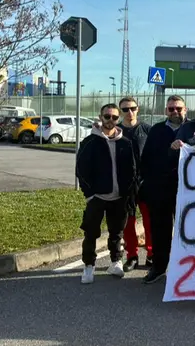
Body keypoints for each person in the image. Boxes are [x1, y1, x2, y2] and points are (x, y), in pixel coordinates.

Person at [75, 103, 137, 284]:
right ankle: (89, 265)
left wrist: (127, 193)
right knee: (91, 232)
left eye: (114, 117)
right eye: (107, 116)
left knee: (117, 232)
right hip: (97, 197)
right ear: (100, 117)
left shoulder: (125, 143)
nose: (110, 120)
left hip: (119, 198)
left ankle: (116, 262)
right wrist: (90, 194)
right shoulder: (89, 142)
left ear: (119, 119)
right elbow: (81, 170)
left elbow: (132, 170)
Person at [141, 95, 188, 284]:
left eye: (178, 108)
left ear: (185, 110)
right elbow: (146, 158)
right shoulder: (157, 130)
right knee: (160, 230)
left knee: (187, 231)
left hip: (187, 189)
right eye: (171, 109)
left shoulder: (193, 129)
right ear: (166, 111)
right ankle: (159, 267)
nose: (175, 112)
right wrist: (148, 183)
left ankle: (186, 271)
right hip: (160, 189)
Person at [116, 96, 153, 272]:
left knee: (149, 221)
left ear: (138, 109)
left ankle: (152, 254)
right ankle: (132, 256)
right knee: (128, 222)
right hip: (125, 184)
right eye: (125, 109)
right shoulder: (116, 131)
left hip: (145, 183)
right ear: (120, 111)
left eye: (132, 108)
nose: (129, 112)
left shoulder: (147, 130)